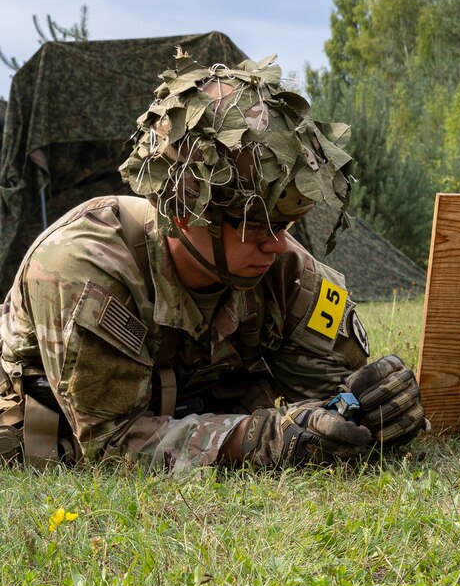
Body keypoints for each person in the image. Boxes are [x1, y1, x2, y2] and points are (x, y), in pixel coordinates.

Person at [0, 51, 427, 470]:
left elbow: (328, 405)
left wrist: (367, 407)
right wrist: (258, 440)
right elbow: (113, 444)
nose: (277, 245)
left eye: (285, 224)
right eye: (255, 225)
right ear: (184, 213)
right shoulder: (83, 268)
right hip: (48, 440)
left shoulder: (285, 272)